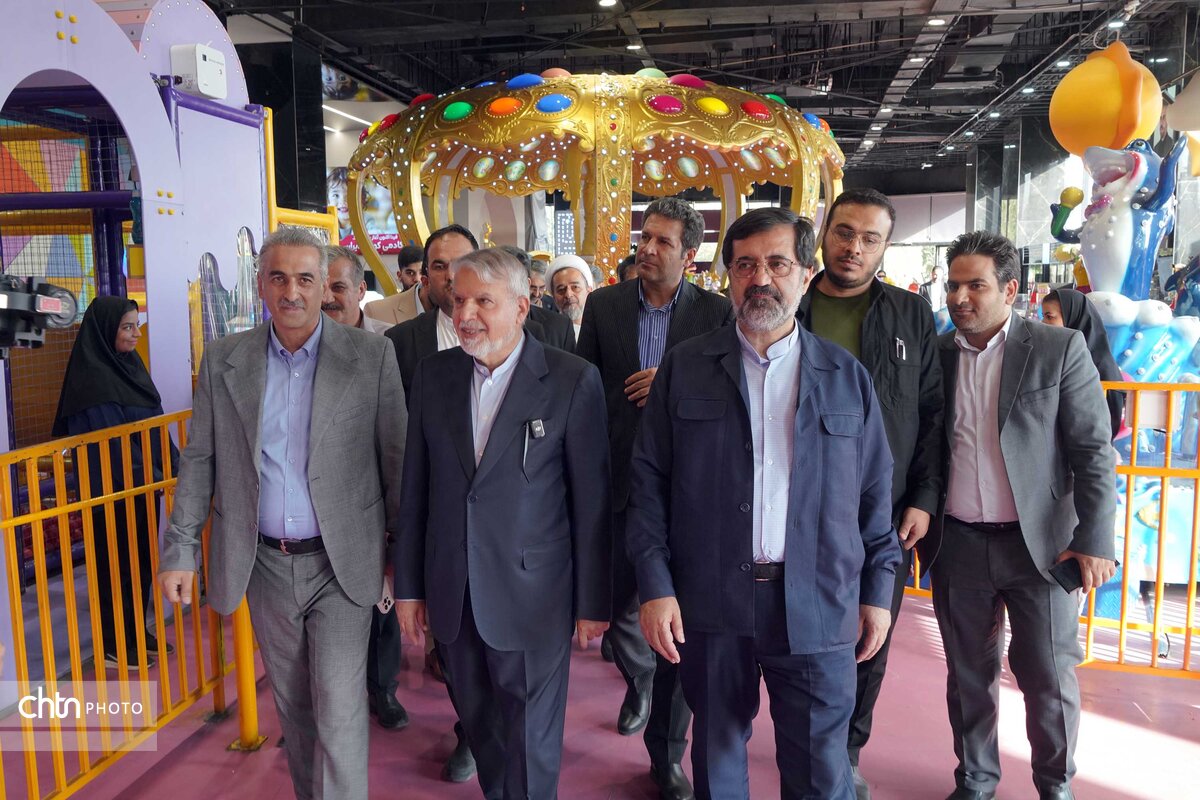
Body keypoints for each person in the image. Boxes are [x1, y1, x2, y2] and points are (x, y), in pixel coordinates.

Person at [627, 208, 901, 800]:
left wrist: (878, 594)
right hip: (710, 601)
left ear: (805, 274)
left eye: (778, 264)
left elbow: (875, 498)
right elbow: (647, 486)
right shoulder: (686, 368)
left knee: (820, 772)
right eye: (746, 265)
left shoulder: (845, 377)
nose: (761, 279)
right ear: (727, 276)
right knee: (718, 761)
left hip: (818, 601)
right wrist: (655, 586)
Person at [158, 227, 407, 800]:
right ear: (260, 285)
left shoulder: (371, 356)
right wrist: (181, 550)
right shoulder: (225, 360)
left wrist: (400, 560)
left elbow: (396, 463)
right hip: (264, 565)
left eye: (304, 279)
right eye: (278, 278)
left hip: (341, 565)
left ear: (326, 287)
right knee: (295, 709)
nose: (291, 292)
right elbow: (200, 460)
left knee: (339, 708)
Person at [394, 247, 611, 800]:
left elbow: (591, 502)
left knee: (530, 736)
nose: (465, 314)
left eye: (483, 302)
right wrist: (411, 589)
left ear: (520, 307)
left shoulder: (570, 380)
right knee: (482, 729)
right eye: (459, 299)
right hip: (454, 592)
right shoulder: (434, 377)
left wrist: (592, 602)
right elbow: (416, 490)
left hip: (534, 594)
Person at [925, 231, 1117, 800]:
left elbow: (1092, 450)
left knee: (1048, 675)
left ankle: (1055, 785)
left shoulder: (1057, 348)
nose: (960, 297)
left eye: (975, 285)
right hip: (958, 543)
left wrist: (1095, 539)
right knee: (967, 675)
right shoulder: (937, 354)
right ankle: (975, 780)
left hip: (1042, 548)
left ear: (1010, 290)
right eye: (953, 285)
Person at [576, 196, 733, 800]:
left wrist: (669, 378)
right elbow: (584, 388)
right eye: (645, 237)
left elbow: (727, 390)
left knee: (679, 629)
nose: (647, 249)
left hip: (689, 491)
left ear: (690, 254)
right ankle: (638, 677)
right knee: (608, 607)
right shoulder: (604, 304)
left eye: (663, 241)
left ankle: (666, 753)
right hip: (617, 482)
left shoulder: (716, 312)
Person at [798, 188, 943, 800]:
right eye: (844, 232)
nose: (854, 247)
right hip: (796, 503)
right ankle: (804, 742)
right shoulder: (790, 303)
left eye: (870, 238)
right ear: (824, 233)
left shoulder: (910, 315)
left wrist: (924, 496)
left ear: (885, 247)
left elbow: (933, 412)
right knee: (793, 634)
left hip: (882, 510)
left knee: (870, 634)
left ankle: (846, 751)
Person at [53, 296, 177, 670]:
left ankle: (136, 628)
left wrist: (175, 465)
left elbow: (154, 425)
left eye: (136, 325)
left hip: (141, 489)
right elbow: (114, 443)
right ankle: (114, 643)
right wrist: (155, 476)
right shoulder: (92, 380)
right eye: (127, 327)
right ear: (106, 331)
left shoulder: (131, 366)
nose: (136, 334)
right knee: (114, 565)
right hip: (110, 491)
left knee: (141, 560)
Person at [1040, 287, 1124, 439]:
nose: (1043, 323)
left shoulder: (1100, 367)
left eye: (1049, 317)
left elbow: (1106, 425)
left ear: (1073, 317)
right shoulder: (1054, 356)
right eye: (1043, 317)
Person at [499, 245, 577, 352]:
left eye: (510, 281)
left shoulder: (559, 327)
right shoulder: (476, 324)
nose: (536, 294)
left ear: (526, 283)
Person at [323, 246, 394, 334]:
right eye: (321, 288)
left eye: (338, 288)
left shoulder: (392, 337)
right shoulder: (306, 339)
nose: (327, 299)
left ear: (361, 290)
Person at [366, 242, 435, 324]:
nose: (417, 279)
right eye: (410, 273)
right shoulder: (381, 311)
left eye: (422, 272)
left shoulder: (440, 305)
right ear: (399, 276)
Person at [549, 253, 594, 343]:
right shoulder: (546, 333)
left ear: (589, 291)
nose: (568, 295)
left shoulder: (601, 329)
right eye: (561, 289)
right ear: (553, 295)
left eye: (575, 287)